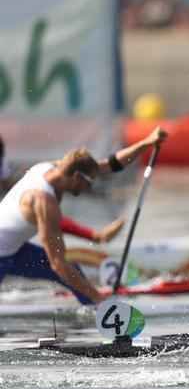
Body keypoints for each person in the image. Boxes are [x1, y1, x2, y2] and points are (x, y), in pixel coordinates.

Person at [0, 130, 165, 304]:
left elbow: (109, 165)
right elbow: (58, 264)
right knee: (66, 269)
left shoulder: (48, 168)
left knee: (74, 271)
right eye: (89, 182)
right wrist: (98, 297)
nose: (89, 187)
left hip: (14, 249)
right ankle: (100, 306)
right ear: (77, 176)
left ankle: (96, 312)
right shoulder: (44, 202)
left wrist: (146, 143)